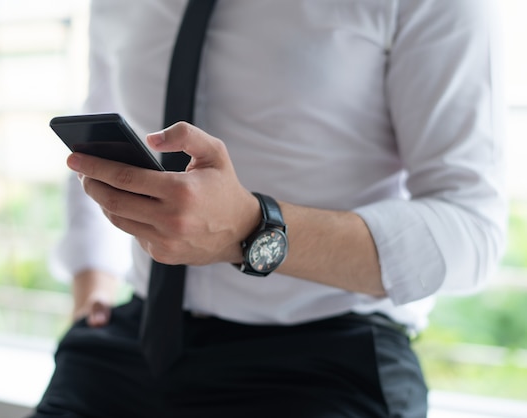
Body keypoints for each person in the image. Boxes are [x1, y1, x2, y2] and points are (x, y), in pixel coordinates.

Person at [31, 0, 506, 417]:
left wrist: (250, 228)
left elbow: (472, 230)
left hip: (327, 363)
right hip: (132, 345)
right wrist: (90, 284)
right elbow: (98, 131)